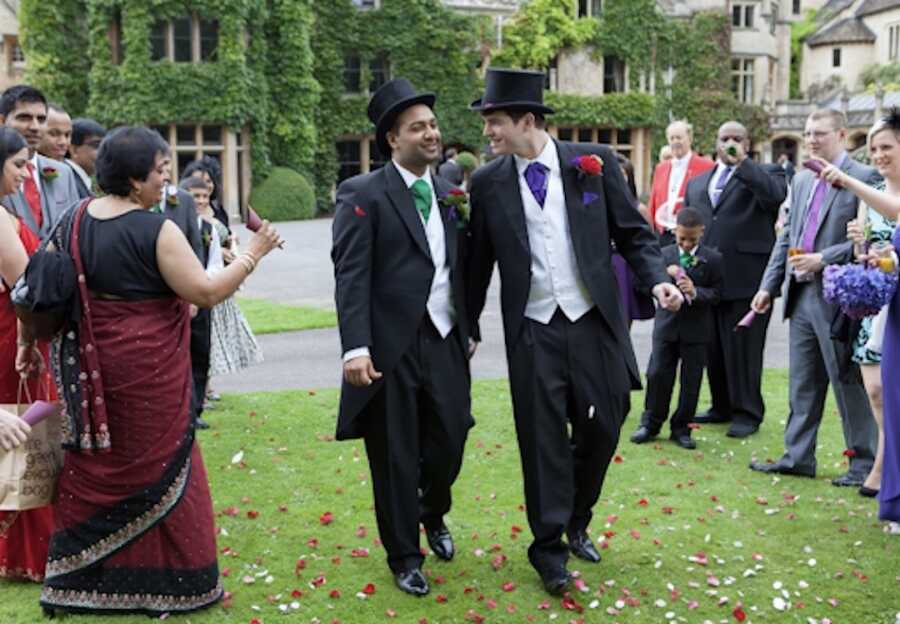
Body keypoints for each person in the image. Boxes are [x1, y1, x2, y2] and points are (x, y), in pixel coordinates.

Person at [38, 126, 281, 615]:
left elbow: (42, 286)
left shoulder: (71, 219)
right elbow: (206, 292)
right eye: (160, 172)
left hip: (90, 372)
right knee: (164, 464)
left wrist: (29, 345)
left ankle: (78, 584)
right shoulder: (157, 229)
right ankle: (176, 584)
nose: (167, 182)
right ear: (133, 180)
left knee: (97, 465)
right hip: (146, 373)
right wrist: (255, 253)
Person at [466, 68, 682, 595]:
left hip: (593, 322)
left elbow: (634, 234)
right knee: (541, 441)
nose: (488, 133)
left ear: (526, 119)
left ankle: (577, 515)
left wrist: (657, 283)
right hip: (533, 329)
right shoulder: (488, 181)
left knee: (607, 422)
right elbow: (477, 263)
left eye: (494, 122)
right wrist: (467, 325)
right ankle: (548, 549)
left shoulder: (594, 164)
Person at [331, 78, 473, 597]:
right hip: (390, 348)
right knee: (393, 453)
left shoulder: (450, 193)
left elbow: (462, 268)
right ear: (393, 138)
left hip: (446, 338)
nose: (431, 134)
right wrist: (356, 346)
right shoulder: (362, 194)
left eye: (433, 125)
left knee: (451, 438)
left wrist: (469, 326)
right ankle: (404, 555)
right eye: (419, 127)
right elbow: (350, 274)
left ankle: (432, 512)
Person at [749, 109, 878, 485]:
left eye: (819, 133)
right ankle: (798, 457)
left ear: (840, 133)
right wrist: (767, 287)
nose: (811, 139)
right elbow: (787, 238)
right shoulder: (802, 179)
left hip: (839, 298)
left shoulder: (864, 178)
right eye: (807, 133)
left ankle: (862, 463)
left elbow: (866, 241)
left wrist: (824, 259)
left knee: (847, 382)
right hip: (799, 295)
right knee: (802, 382)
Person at [684, 121, 787, 438]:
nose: (729, 143)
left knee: (743, 348)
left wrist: (742, 162)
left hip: (747, 277)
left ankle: (747, 412)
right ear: (715, 141)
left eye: (737, 139)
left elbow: (774, 198)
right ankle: (722, 406)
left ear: (748, 142)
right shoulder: (699, 182)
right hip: (707, 278)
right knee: (712, 347)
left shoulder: (768, 173)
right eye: (724, 138)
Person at [0, 126, 55, 582]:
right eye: (18, 164)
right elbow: (25, 290)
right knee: (24, 438)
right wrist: (29, 343)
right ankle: (26, 548)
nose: (25, 173)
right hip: (12, 337)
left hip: (13, 333)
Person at [630, 207, 724, 450]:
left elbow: (717, 294)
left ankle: (682, 427)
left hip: (696, 330)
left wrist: (696, 292)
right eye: (681, 238)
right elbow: (642, 284)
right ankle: (650, 422)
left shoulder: (713, 259)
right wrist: (662, 280)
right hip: (666, 327)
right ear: (675, 232)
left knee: (691, 380)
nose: (685, 243)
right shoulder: (663, 255)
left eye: (691, 239)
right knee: (657, 373)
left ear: (701, 233)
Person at [181, 176, 262, 376]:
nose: (200, 201)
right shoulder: (172, 226)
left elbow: (215, 263)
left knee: (203, 348)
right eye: (195, 196)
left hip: (203, 294)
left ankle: (202, 391)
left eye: (204, 196)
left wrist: (202, 282)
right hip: (181, 300)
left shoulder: (210, 229)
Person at [0, 85, 80, 238]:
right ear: (2, 121)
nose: (35, 127)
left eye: (41, 119)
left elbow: (73, 232)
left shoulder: (63, 173)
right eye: (24, 118)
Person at [647, 120, 715, 247]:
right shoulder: (660, 168)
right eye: (671, 138)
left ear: (690, 138)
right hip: (663, 235)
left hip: (690, 236)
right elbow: (653, 200)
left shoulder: (706, 166)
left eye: (679, 137)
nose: (675, 142)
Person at [612, 153, 655, 326]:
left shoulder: (639, 209)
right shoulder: (597, 202)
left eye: (623, 175)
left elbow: (648, 245)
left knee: (623, 321)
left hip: (626, 268)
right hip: (605, 265)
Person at [182, 156, 229, 231]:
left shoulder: (220, 212)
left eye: (208, 181)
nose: (204, 186)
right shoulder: (180, 213)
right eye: (198, 181)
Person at [67, 117, 107, 198]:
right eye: (97, 145)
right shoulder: (67, 182)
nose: (103, 153)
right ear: (74, 150)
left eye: (104, 147)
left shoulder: (78, 179)